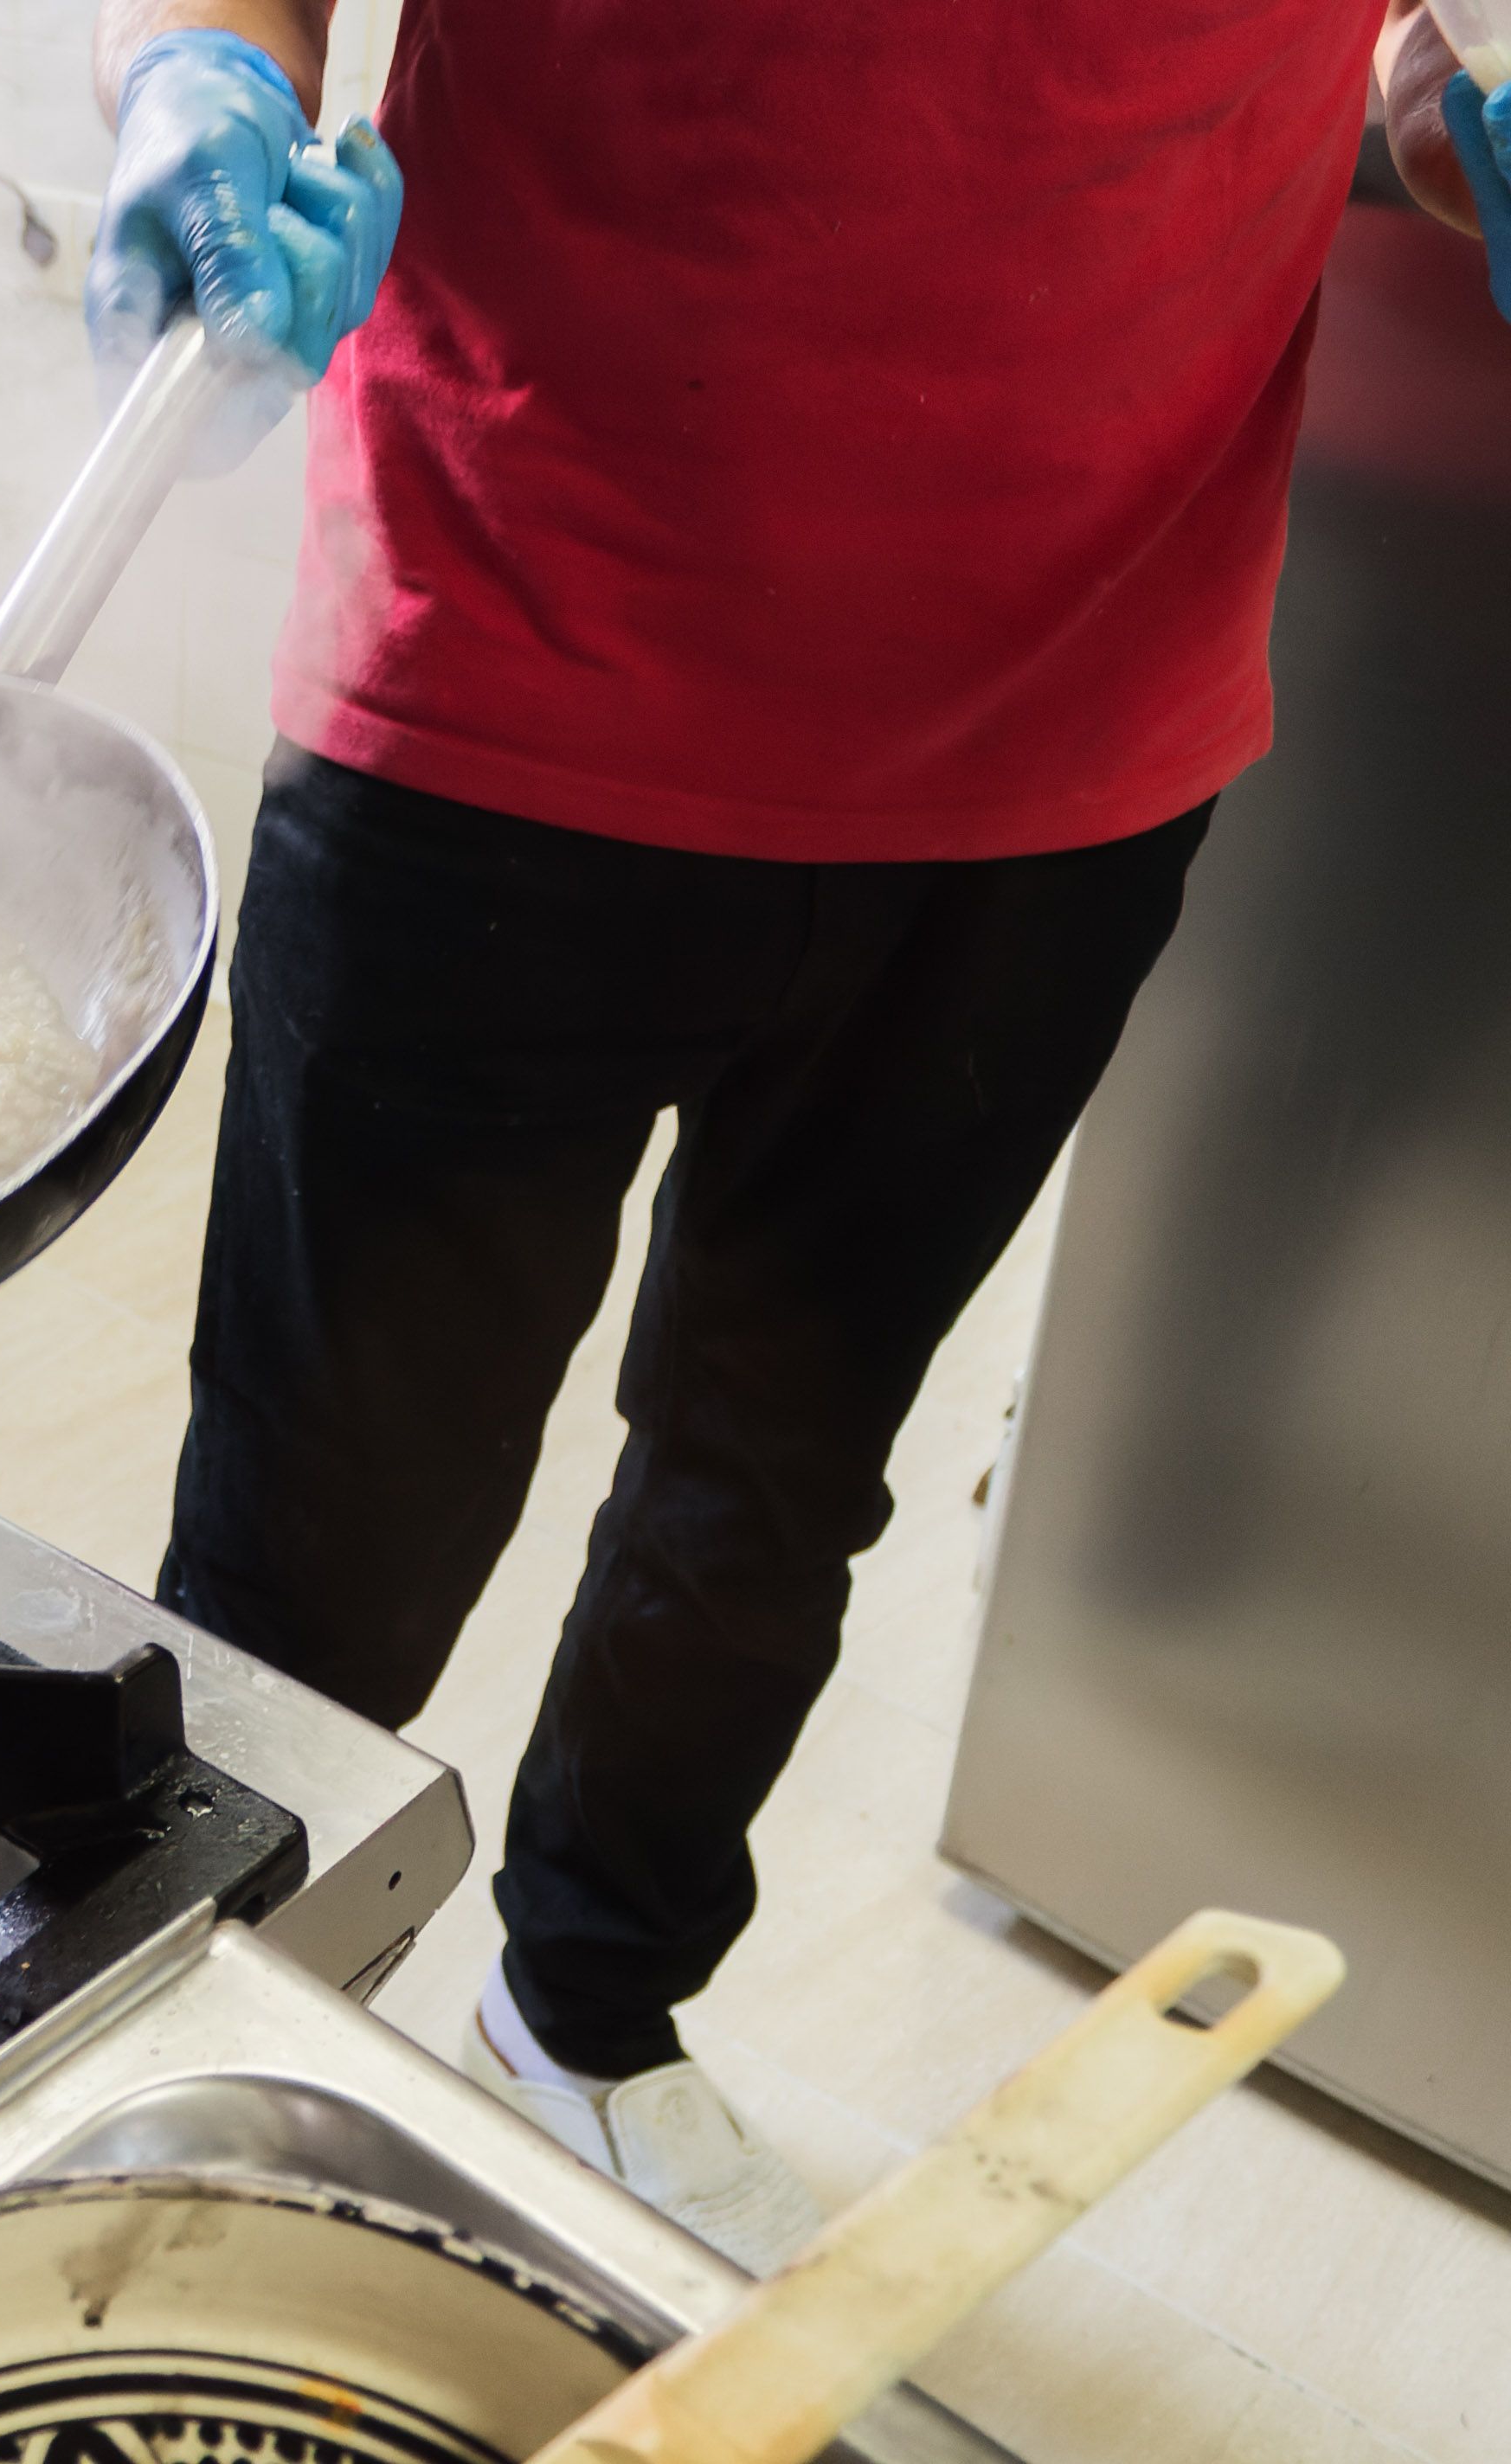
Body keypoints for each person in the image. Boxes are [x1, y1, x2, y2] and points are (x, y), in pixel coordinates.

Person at [84, 0, 1511, 2272]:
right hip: (517, 661)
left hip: (1072, 725)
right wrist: (199, 78)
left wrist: (1452, 108)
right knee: (323, 1541)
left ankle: (591, 2011)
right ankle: (183, 2081)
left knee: (773, 1480)